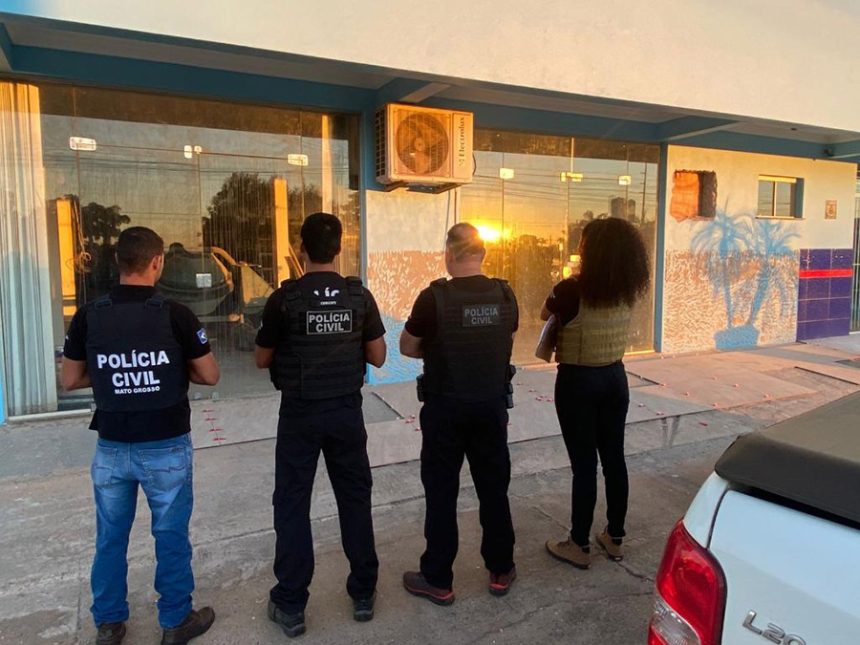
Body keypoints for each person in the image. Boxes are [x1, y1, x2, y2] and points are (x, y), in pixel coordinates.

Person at [61, 226, 220, 645]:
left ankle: (109, 625)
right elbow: (209, 374)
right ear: (157, 262)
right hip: (166, 445)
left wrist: (111, 373)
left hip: (112, 447)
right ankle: (175, 621)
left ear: (118, 262)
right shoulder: (176, 314)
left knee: (110, 539)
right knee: (170, 536)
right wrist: (168, 368)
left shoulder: (90, 314)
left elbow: (70, 378)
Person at [254, 212, 386, 637]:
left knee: (293, 503)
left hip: (300, 414)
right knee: (354, 498)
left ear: (301, 248)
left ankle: (291, 604)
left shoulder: (284, 298)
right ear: (339, 248)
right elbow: (378, 356)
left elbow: (261, 359)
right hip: (346, 412)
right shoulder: (358, 296)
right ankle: (363, 593)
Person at [400, 222, 518, 605]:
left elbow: (407, 346)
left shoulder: (433, 298)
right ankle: (501, 569)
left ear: (449, 253)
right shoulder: (505, 294)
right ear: (482, 254)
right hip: (490, 409)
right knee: (494, 489)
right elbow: (505, 339)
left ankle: (437, 579)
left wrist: (438, 347)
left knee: (441, 493)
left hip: (445, 411)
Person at [542, 217, 650, 569]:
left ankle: (578, 543)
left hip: (578, 382)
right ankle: (614, 537)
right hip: (615, 378)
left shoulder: (570, 289)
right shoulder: (627, 288)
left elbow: (543, 313)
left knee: (584, 466)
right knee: (614, 459)